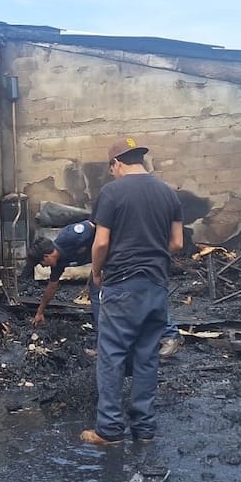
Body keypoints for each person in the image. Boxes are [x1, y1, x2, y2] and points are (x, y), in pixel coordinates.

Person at [84, 138, 183, 445]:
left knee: (112, 356)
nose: (112, 173)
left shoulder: (112, 192)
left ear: (117, 163)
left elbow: (101, 243)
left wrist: (97, 271)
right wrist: (152, 256)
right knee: (146, 357)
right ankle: (144, 429)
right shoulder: (168, 192)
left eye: (111, 168)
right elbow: (177, 243)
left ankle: (110, 430)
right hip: (156, 285)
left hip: (122, 284)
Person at [26, 223, 182, 357]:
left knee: (137, 293)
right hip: (106, 266)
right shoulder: (59, 262)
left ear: (47, 256)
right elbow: (51, 287)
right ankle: (105, 347)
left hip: (122, 256)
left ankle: (170, 335)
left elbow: (99, 225)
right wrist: (40, 311)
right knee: (97, 299)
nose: (44, 267)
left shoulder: (71, 235)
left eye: (42, 263)